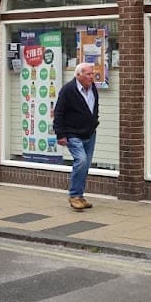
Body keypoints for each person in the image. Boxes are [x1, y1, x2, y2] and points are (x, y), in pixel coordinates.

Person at [54, 62, 101, 212]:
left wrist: (94, 122)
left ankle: (80, 196)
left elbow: (94, 107)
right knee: (80, 161)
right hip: (73, 133)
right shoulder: (68, 90)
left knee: (85, 165)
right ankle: (74, 196)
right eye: (88, 74)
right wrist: (60, 134)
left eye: (92, 73)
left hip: (89, 133)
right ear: (78, 75)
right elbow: (59, 112)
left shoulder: (93, 88)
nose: (91, 77)